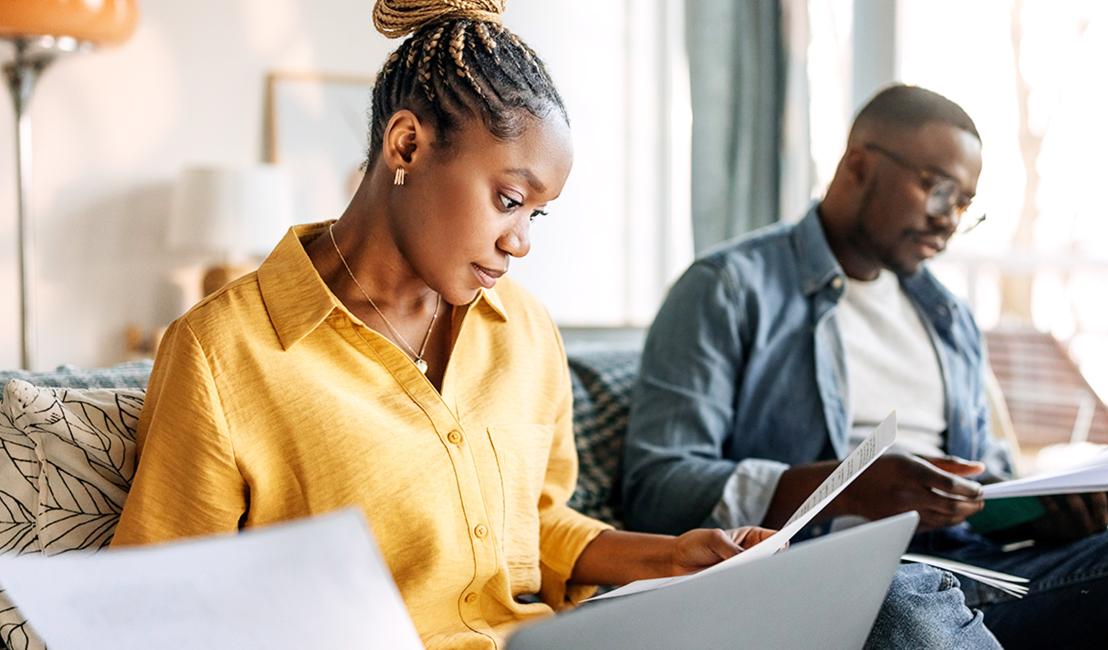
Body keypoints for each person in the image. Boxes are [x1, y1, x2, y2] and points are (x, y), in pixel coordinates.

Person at [112, 2, 779, 648]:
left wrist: (671, 558)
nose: (521, 241)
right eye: (509, 199)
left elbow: (535, 526)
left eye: (536, 214)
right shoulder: (223, 353)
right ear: (407, 145)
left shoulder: (523, 329)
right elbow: (162, 606)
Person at [623, 83, 1108, 649]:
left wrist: (1050, 514)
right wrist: (846, 487)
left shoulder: (948, 317)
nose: (949, 218)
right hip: (839, 579)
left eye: (965, 204)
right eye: (939, 189)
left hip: (980, 573)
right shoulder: (728, 288)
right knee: (898, 598)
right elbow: (657, 487)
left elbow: (985, 483)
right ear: (858, 166)